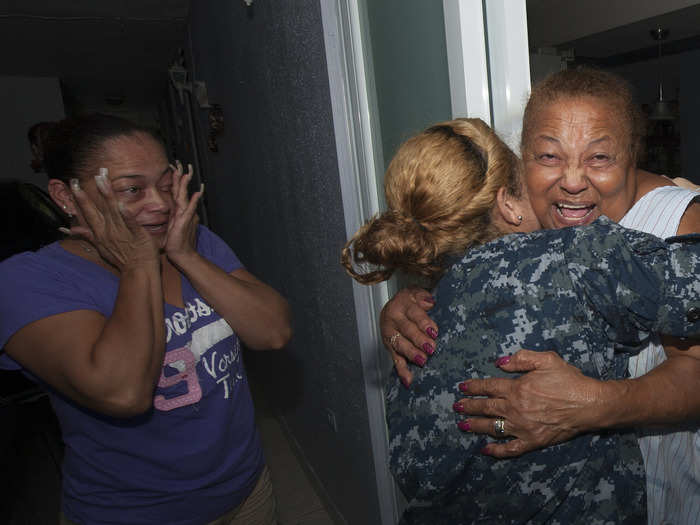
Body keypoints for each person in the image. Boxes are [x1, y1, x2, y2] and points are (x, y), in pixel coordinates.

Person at [380, 68, 700, 524]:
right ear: (520, 165)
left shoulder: (674, 224)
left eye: (600, 157)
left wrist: (591, 406)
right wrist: (408, 306)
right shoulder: (521, 243)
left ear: (631, 157)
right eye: (548, 156)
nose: (572, 180)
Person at [0, 114, 292, 525]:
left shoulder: (194, 240)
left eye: (166, 184)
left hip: (246, 491)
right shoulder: (27, 280)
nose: (160, 204)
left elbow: (273, 331)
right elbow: (121, 393)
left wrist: (186, 257)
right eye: (131, 189)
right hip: (134, 513)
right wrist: (139, 266)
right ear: (66, 197)